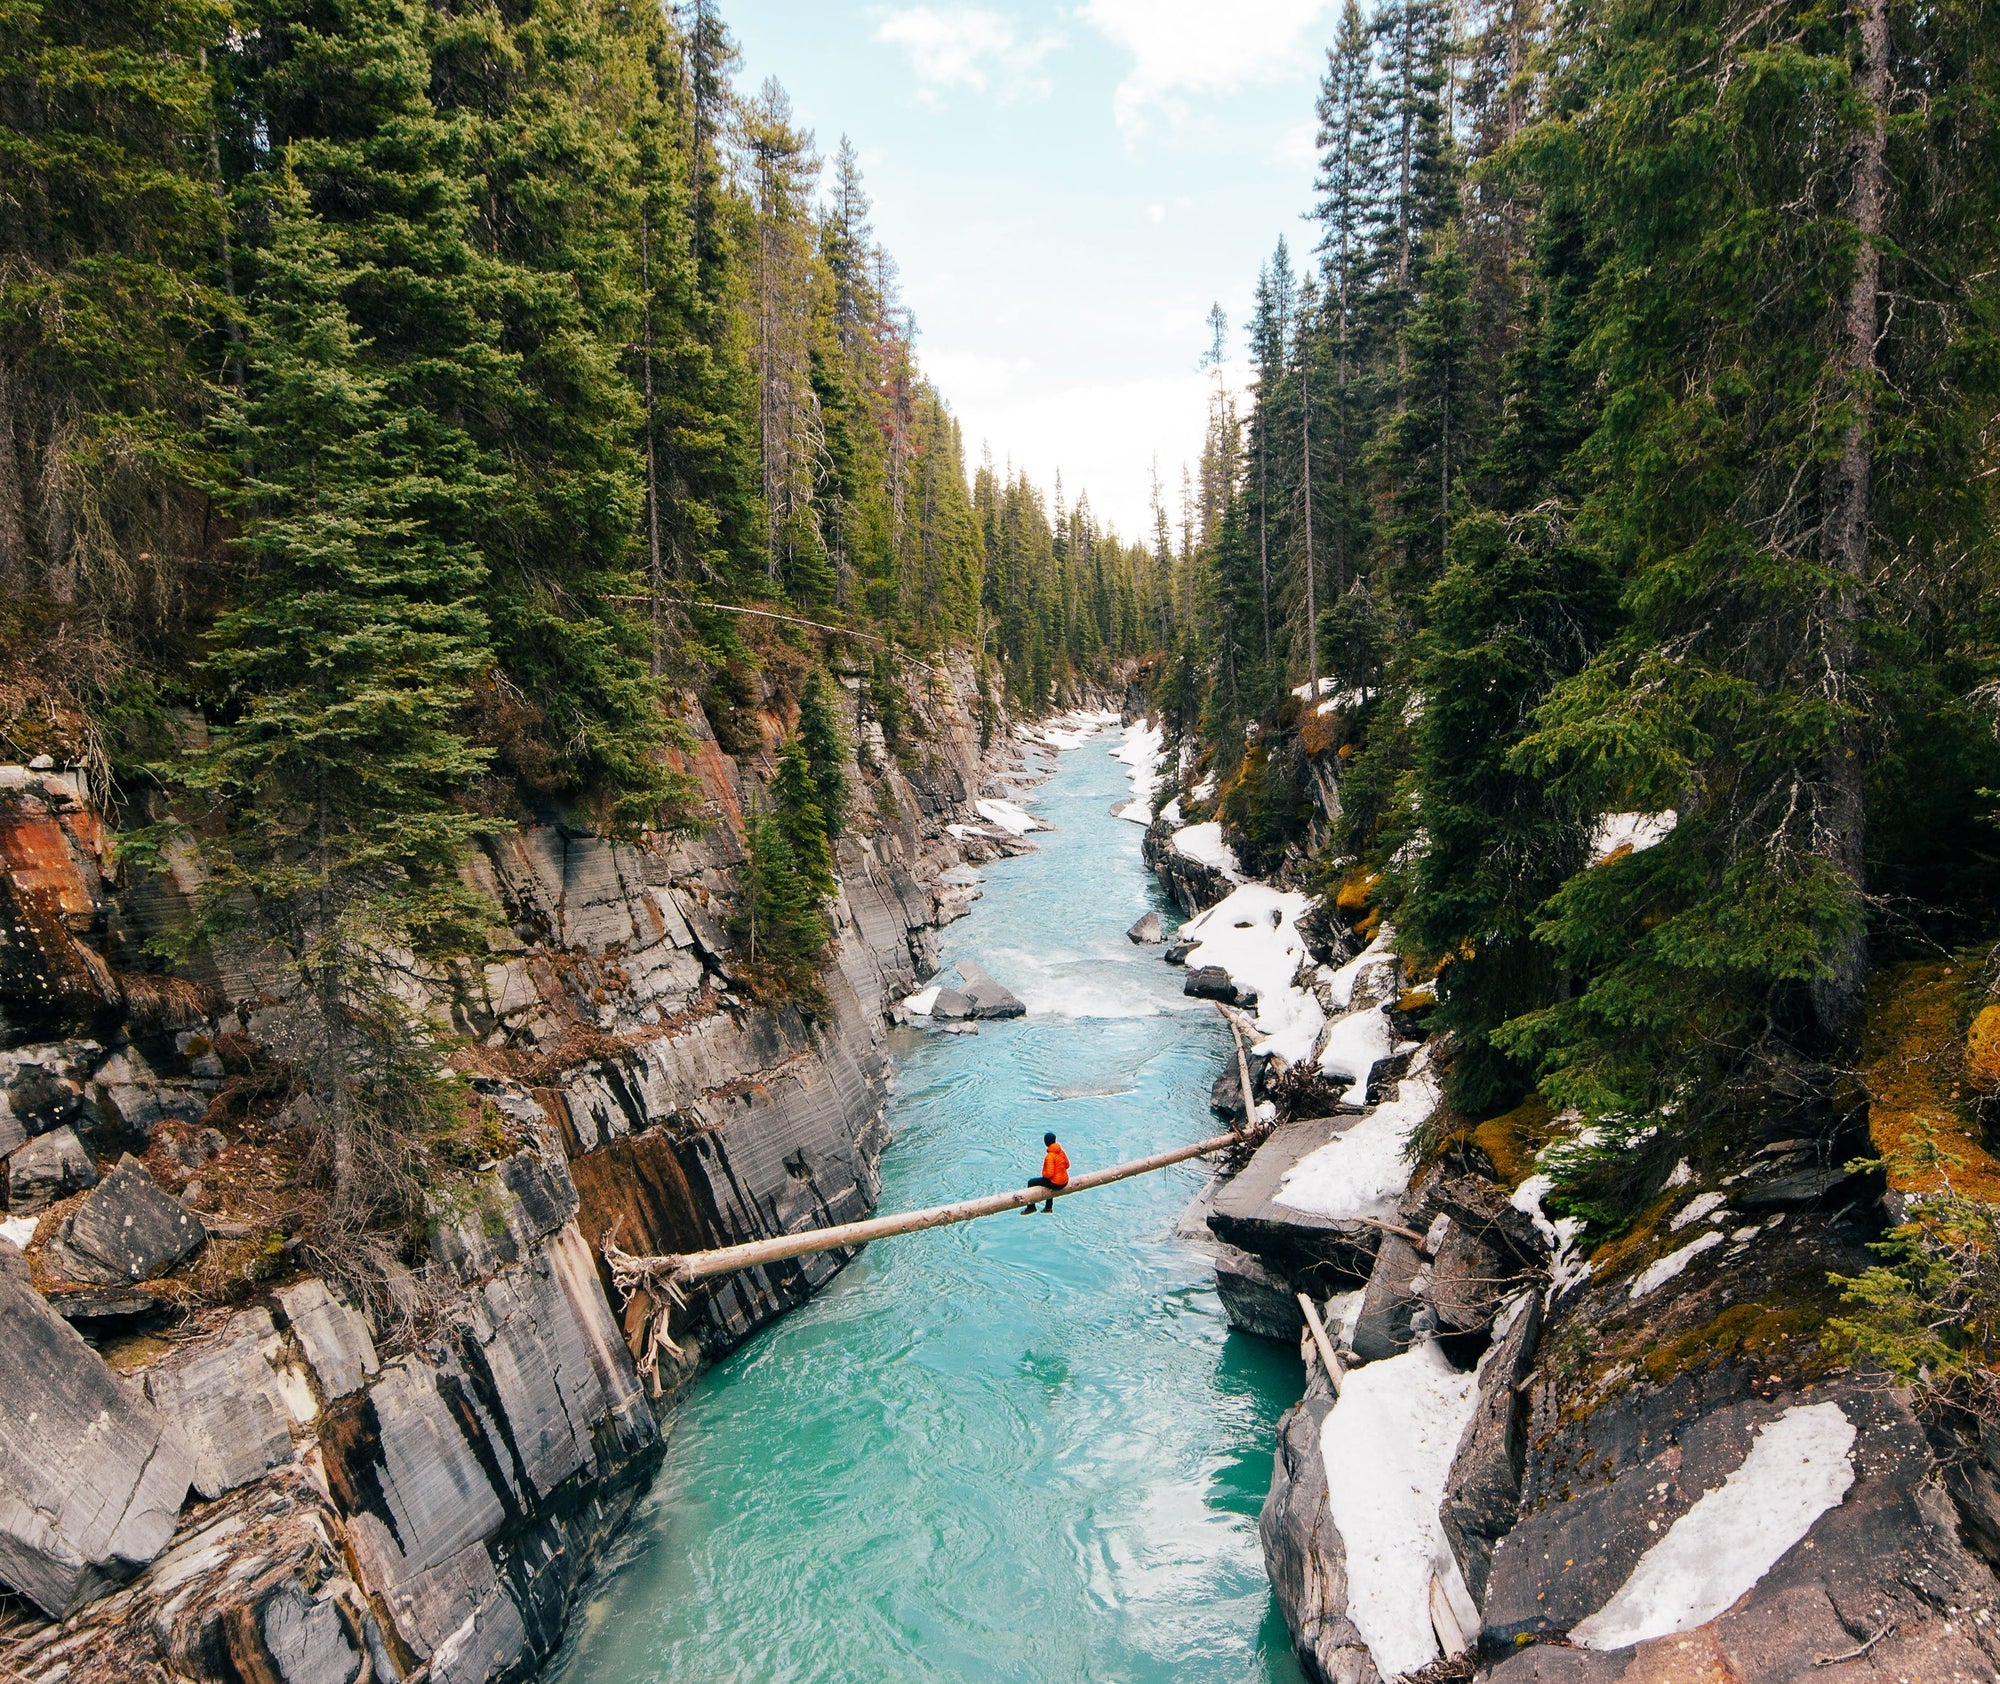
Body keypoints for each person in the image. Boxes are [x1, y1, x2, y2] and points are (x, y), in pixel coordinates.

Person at [1023, 1131, 1069, 1214]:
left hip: (1056, 1184)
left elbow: (1049, 1174)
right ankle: (1048, 1207)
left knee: (1031, 1182)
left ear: (1046, 1142)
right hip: (1065, 1181)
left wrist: (1044, 1174)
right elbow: (1067, 1165)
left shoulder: (1050, 1156)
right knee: (1049, 1182)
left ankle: (1031, 1207)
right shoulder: (1061, 1151)